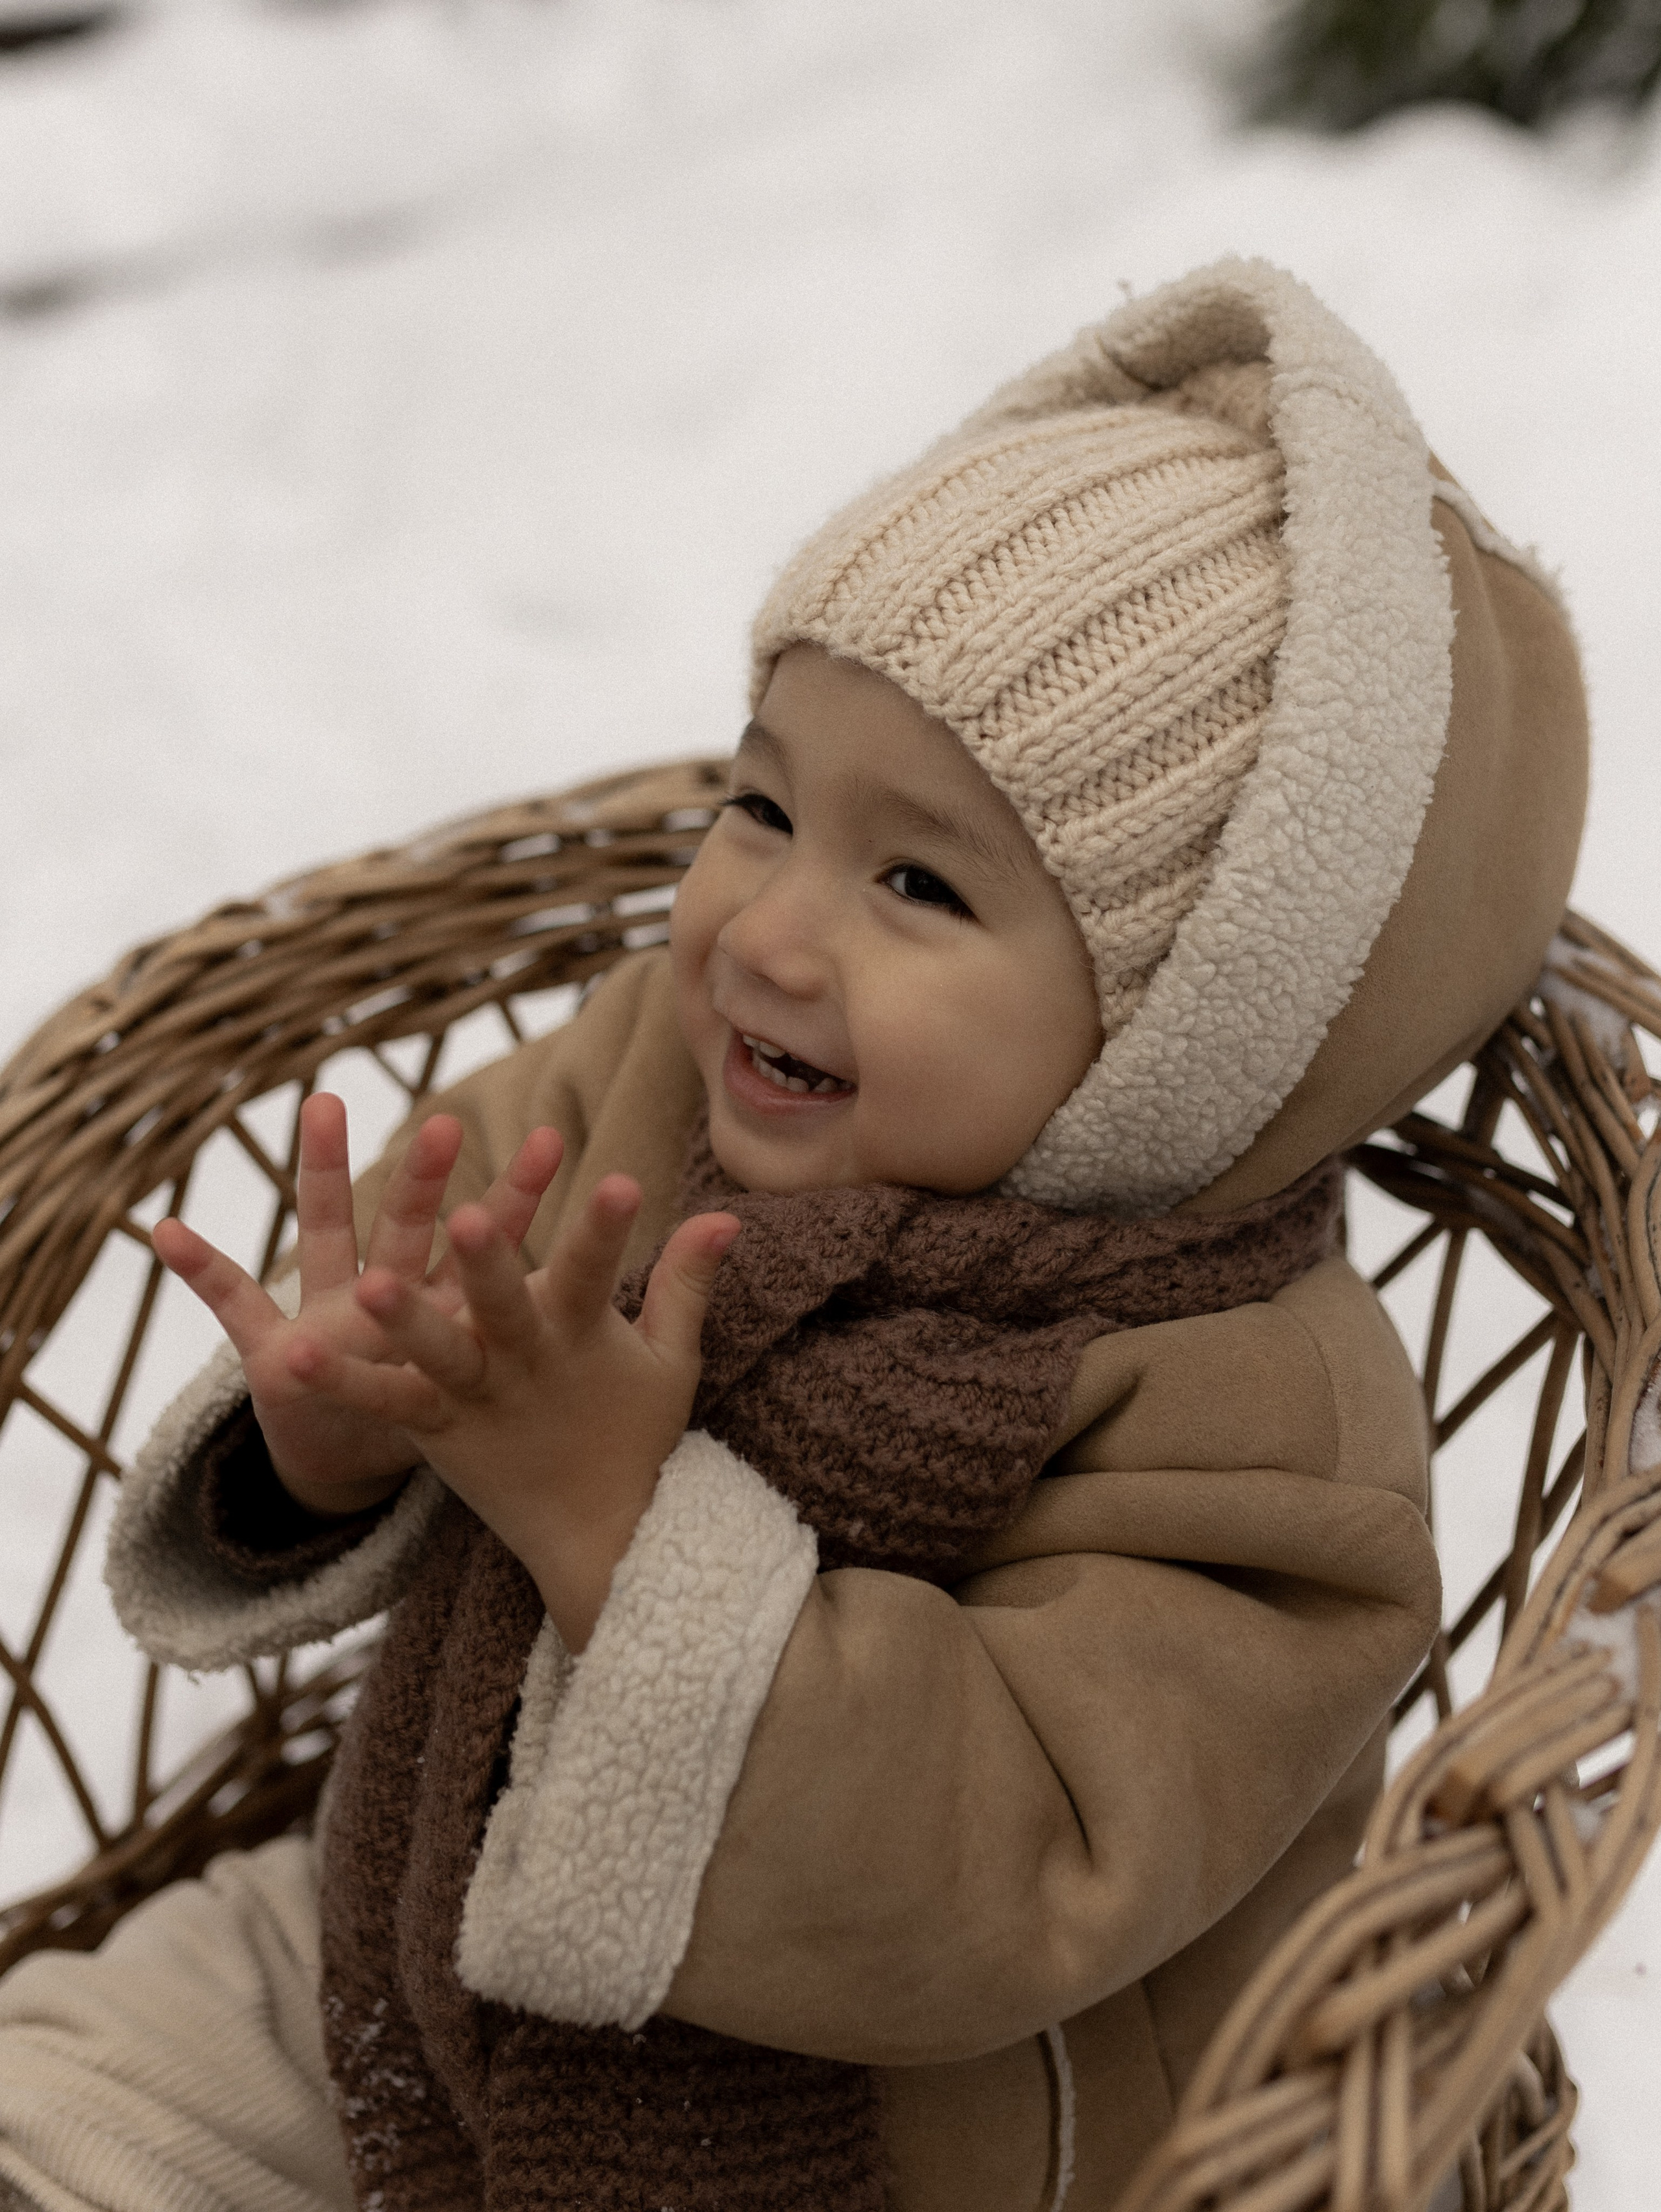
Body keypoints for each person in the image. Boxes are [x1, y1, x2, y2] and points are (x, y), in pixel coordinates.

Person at [0, 257, 1588, 2212]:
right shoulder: (665, 1071)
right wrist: (337, 1430)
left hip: (945, 2137)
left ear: (1192, 1030)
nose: (762, 928)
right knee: (69, 2097)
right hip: (435, 1908)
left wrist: (618, 1527)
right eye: (762, 801)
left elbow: (996, 1875)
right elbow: (449, 1273)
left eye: (916, 877)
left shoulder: (1257, 1420)